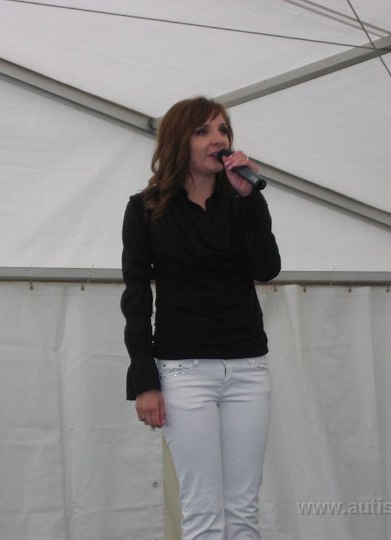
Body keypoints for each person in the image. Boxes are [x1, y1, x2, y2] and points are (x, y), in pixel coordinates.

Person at [121, 96, 281, 539]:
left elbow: (267, 268)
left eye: (223, 130)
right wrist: (144, 379)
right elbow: (137, 297)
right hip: (185, 371)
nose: (218, 139)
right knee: (204, 512)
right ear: (179, 140)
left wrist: (249, 199)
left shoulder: (242, 201)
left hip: (247, 368)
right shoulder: (145, 208)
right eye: (203, 131)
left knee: (243, 509)